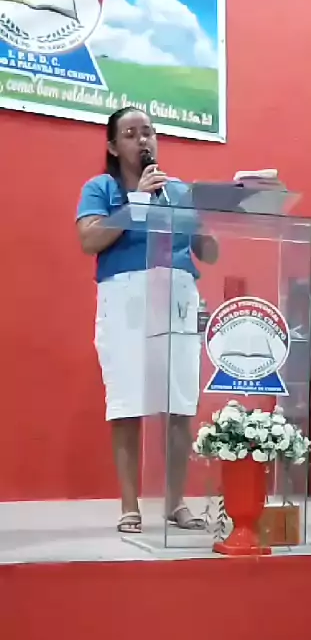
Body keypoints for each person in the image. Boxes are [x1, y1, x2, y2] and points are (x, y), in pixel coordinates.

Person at [76, 107, 218, 533]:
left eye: (149, 132)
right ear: (112, 146)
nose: (143, 140)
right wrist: (136, 200)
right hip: (126, 300)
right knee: (126, 403)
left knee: (180, 403)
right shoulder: (102, 188)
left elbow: (209, 254)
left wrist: (211, 218)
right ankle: (129, 505)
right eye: (131, 133)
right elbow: (89, 240)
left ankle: (175, 503)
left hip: (177, 296)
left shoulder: (177, 190)